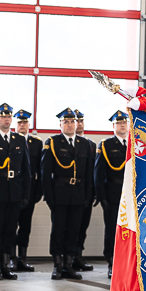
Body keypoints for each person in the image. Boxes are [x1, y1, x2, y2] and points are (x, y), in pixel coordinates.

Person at [41, 108, 94, 280]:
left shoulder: (84, 144)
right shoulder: (53, 142)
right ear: (60, 124)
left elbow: (88, 174)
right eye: (66, 122)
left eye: (73, 122)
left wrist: (88, 196)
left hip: (78, 194)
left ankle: (69, 265)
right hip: (60, 194)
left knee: (73, 231)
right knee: (58, 231)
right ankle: (57, 266)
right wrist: (49, 197)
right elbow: (45, 173)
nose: (70, 125)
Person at [0, 103, 31, 280]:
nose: (7, 120)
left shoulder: (19, 140)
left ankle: (6, 265)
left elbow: (26, 170)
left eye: (9, 117)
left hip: (15, 192)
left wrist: (25, 194)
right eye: (3, 117)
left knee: (10, 230)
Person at [94, 111, 129, 279]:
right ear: (113, 126)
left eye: (124, 122)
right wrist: (101, 196)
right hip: (113, 194)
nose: (122, 125)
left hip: (131, 195)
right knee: (112, 231)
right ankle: (111, 262)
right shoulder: (106, 145)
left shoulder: (135, 144)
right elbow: (98, 173)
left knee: (129, 231)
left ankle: (127, 263)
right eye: (119, 123)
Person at [14, 109, 43, 272]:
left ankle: (22, 258)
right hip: (13, 189)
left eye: (25, 122)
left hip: (29, 190)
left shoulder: (36, 143)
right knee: (11, 226)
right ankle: (11, 258)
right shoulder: (11, 140)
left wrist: (38, 191)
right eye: (19, 122)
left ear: (29, 124)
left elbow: (40, 169)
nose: (22, 125)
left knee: (25, 226)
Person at [72, 109, 96, 272]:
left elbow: (93, 172)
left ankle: (78, 256)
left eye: (81, 121)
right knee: (69, 227)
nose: (79, 124)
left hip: (86, 193)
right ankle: (67, 259)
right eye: (76, 121)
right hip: (69, 194)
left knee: (82, 227)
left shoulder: (91, 145)